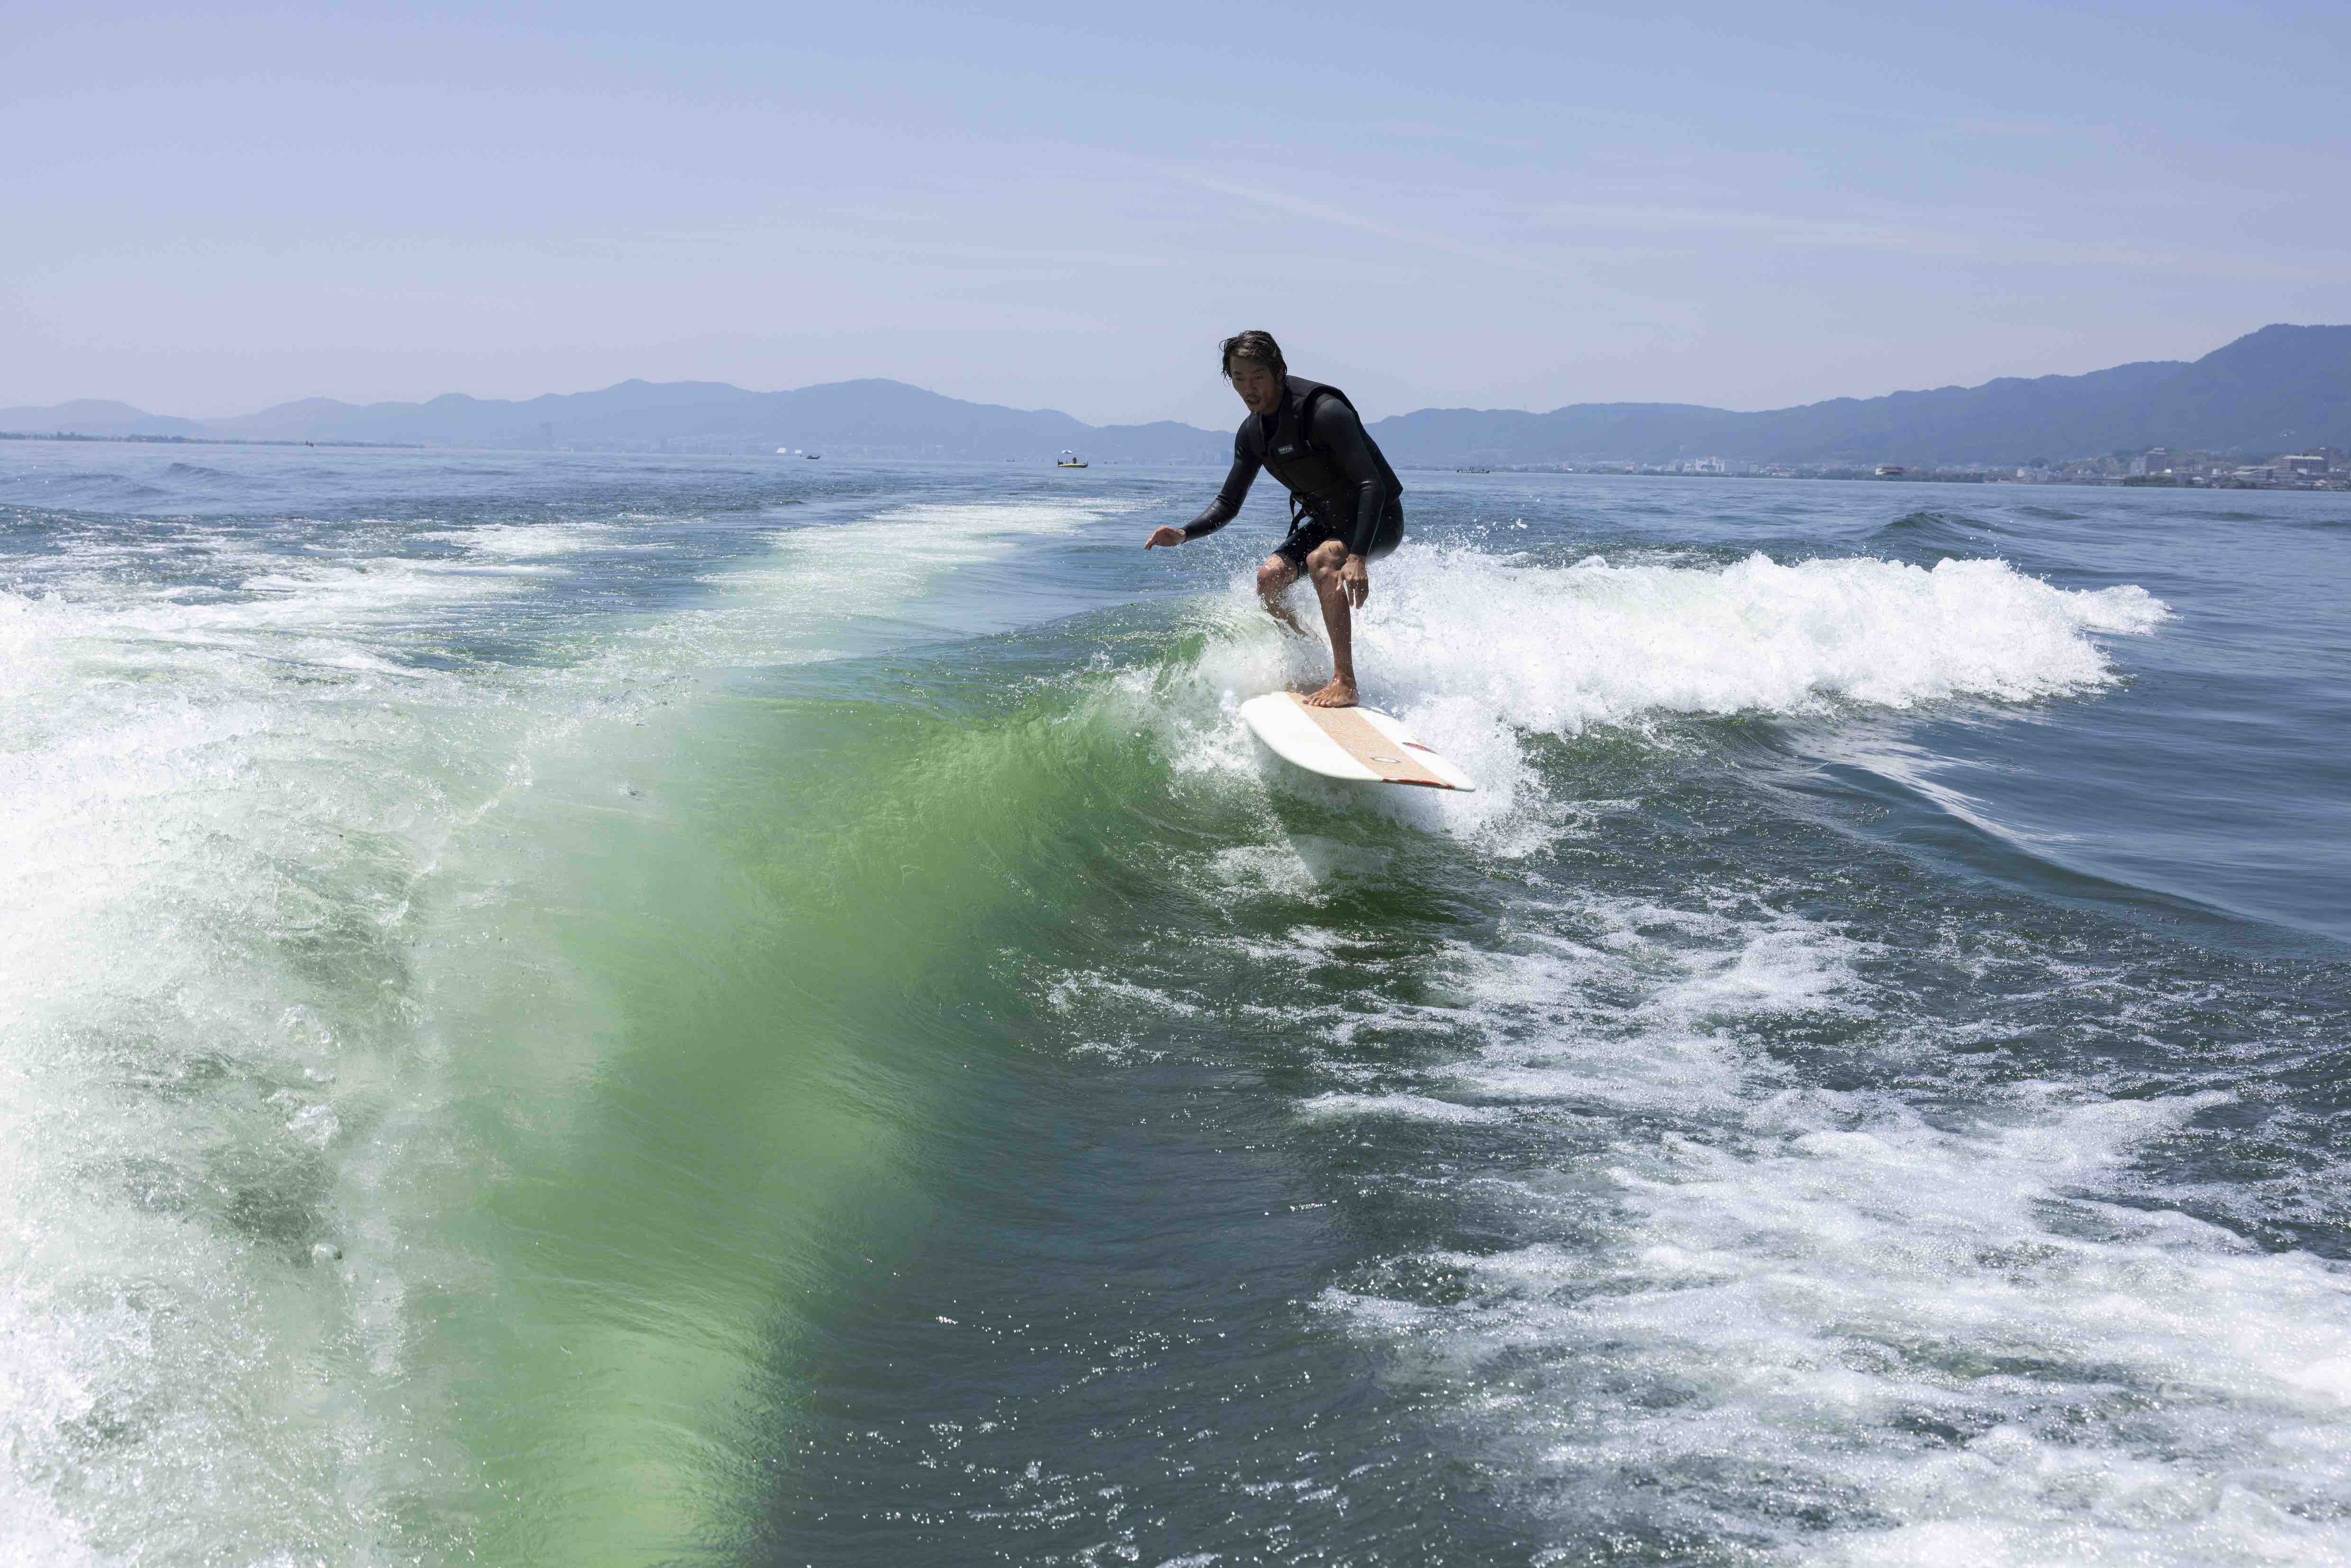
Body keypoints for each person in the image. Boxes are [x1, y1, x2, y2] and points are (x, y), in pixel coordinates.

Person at [1144, 330, 1405, 708]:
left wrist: (1358, 556)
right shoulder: (1253, 433)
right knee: (1269, 578)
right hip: (1329, 520)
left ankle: (1345, 681)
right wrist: (1184, 534)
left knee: (1322, 560)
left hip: (1378, 517)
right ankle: (1308, 655)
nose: (1248, 389)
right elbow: (1228, 502)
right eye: (1238, 379)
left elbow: (1372, 485)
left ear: (1280, 372)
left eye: (1257, 377)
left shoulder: (1325, 412)